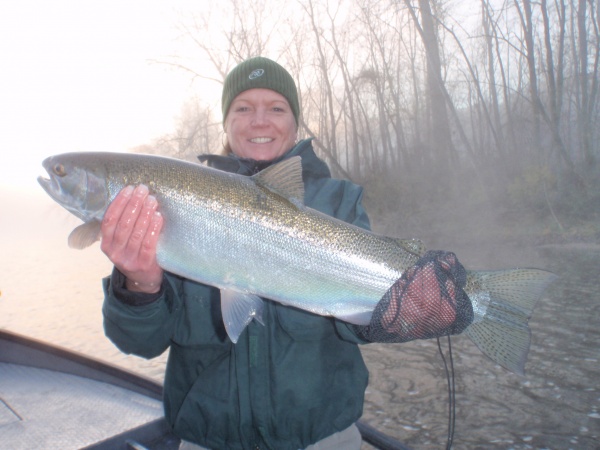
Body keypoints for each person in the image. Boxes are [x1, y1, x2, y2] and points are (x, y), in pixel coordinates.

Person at [100, 56, 473, 450]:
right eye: (244, 108)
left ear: (295, 123)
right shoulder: (169, 210)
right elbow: (138, 344)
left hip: (324, 439)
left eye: (276, 108)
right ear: (226, 122)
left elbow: (358, 325)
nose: (260, 121)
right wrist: (139, 284)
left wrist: (400, 314)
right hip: (207, 440)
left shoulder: (340, 201)